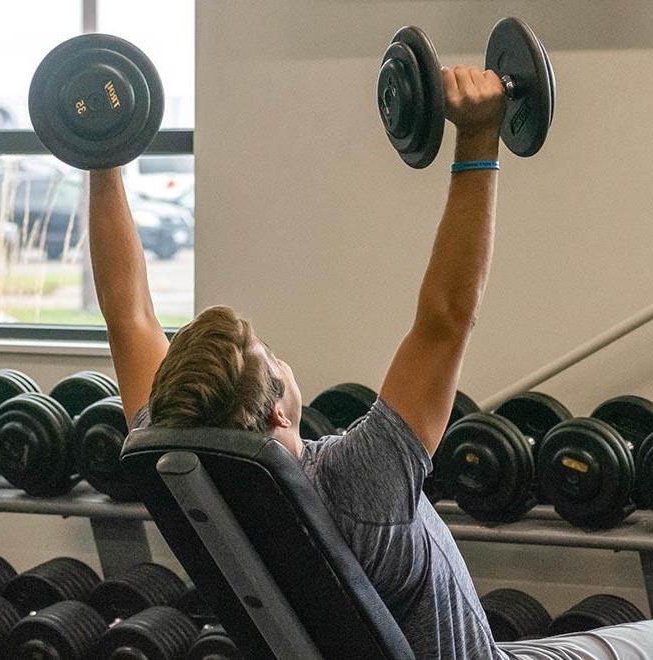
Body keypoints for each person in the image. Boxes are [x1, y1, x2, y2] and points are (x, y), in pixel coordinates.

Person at [89, 65, 653, 660]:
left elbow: (128, 316)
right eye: (272, 358)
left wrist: (102, 153)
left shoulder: (184, 467)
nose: (282, 358)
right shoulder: (358, 481)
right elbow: (446, 318)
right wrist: (479, 136)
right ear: (278, 413)